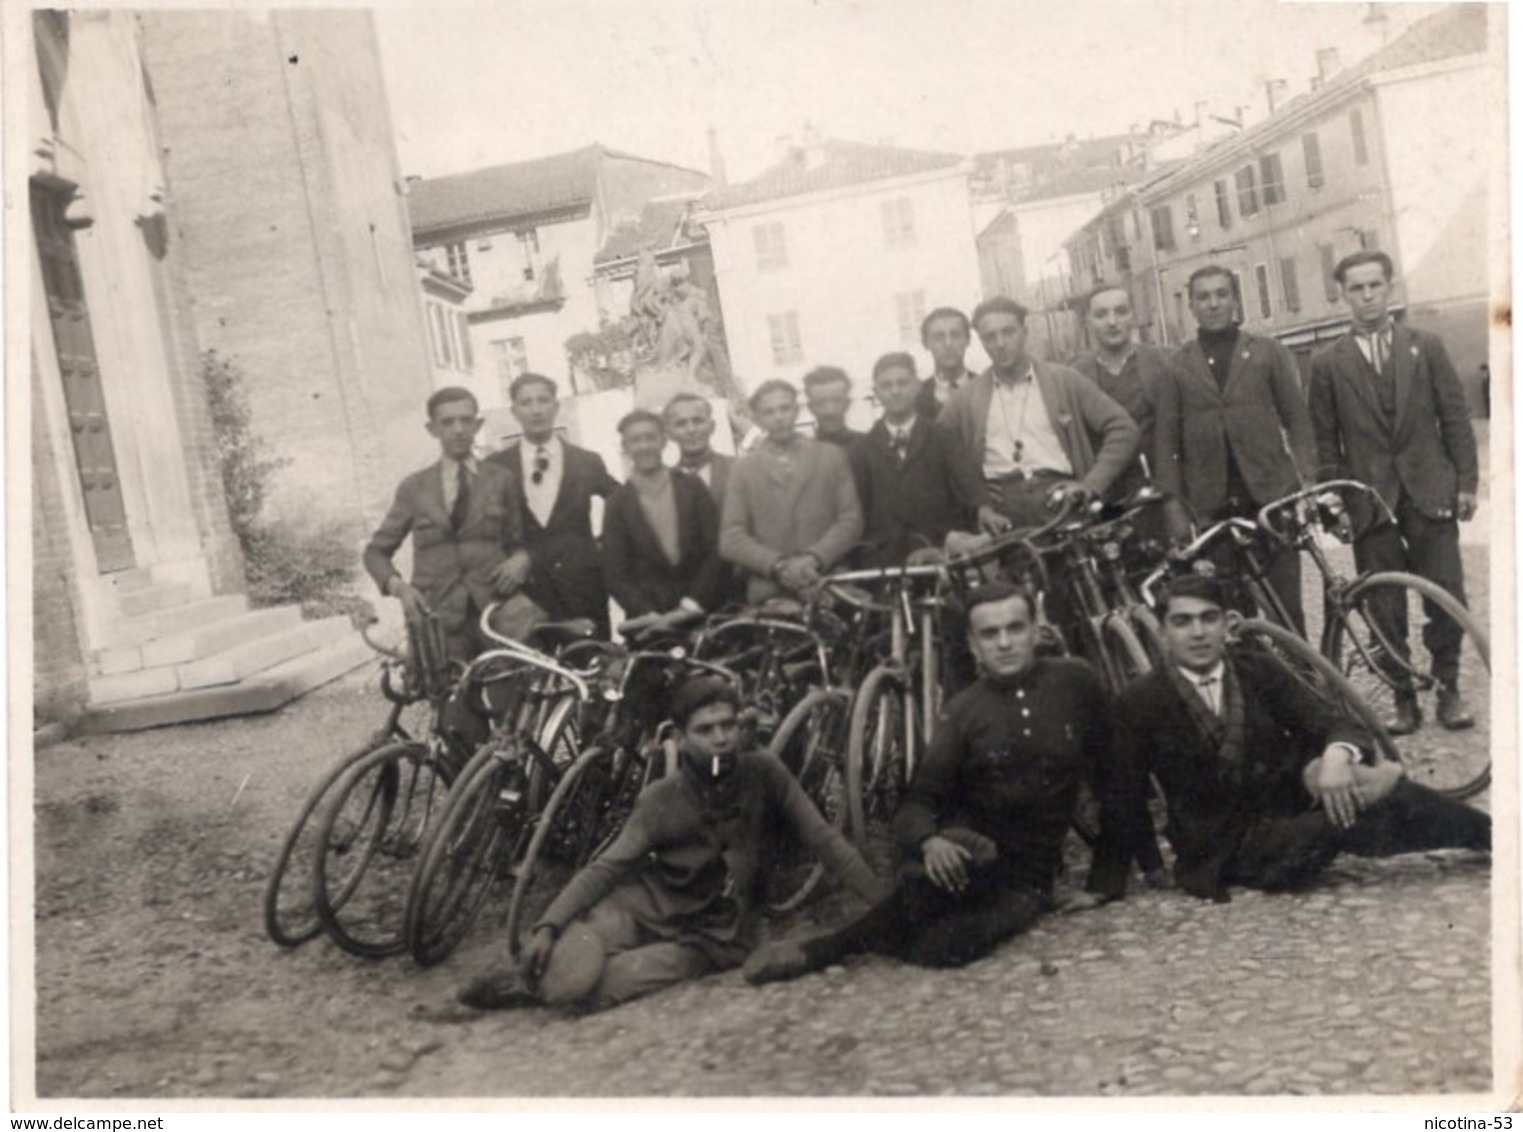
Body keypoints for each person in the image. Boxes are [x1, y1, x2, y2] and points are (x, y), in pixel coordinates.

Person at [743, 583, 1111, 983]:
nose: (1004, 643)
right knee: (930, 894)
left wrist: (1106, 882)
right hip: (966, 855)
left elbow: (1116, 779)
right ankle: (818, 951)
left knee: (942, 950)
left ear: (1035, 629)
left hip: (1028, 877)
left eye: (1015, 628)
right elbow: (920, 800)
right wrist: (930, 842)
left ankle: (854, 938)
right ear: (972, 644)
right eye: (989, 634)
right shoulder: (964, 710)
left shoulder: (1076, 681)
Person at [458, 677, 883, 1013]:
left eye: (728, 725)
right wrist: (548, 925)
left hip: (714, 936)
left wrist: (886, 906)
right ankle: (532, 974)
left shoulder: (765, 773)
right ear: (680, 738)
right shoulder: (661, 797)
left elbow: (827, 841)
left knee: (601, 986)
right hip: (648, 908)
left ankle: (531, 988)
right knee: (575, 951)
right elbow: (608, 867)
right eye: (704, 730)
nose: (720, 738)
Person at [1083, 576, 1488, 907]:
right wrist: (1106, 882)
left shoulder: (1256, 669)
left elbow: (1332, 721)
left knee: (1374, 796)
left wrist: (1334, 757)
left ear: (1227, 624)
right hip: (1224, 848)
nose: (1198, 632)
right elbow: (1124, 793)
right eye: (1183, 622)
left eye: (1209, 619)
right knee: (1349, 813)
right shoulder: (1141, 701)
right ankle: (1373, 788)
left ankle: (1495, 836)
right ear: (1164, 631)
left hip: (1289, 809)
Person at [1307, 250, 1480, 733]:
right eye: (1356, 289)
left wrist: (1465, 483)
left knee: (1446, 594)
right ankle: (1404, 696)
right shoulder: (1326, 364)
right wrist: (1336, 500)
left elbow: (1455, 418)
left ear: (1390, 288)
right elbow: (1325, 442)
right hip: (1369, 501)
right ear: (1343, 296)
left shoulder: (1425, 346)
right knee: (1383, 603)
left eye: (1374, 286)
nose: (1367, 297)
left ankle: (1448, 689)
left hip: (1429, 490)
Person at [1153, 265, 1316, 633]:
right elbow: (1165, 443)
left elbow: (1298, 420)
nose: (1213, 304)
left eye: (1221, 294)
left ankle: (1304, 684)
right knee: (1231, 613)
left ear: (1235, 299)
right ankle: (1250, 685)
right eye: (1204, 296)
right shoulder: (1175, 367)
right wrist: (1174, 506)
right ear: (1191, 306)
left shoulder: (1267, 352)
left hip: (1272, 500)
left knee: (1287, 609)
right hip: (1212, 507)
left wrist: (1306, 483)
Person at [941, 296, 1139, 531]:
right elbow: (939, 452)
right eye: (990, 337)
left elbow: (1124, 429)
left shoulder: (1064, 380)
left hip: (1061, 504)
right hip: (1002, 515)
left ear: (1025, 332)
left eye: (1008, 332)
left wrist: (1091, 485)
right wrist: (979, 503)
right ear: (981, 341)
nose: (1000, 343)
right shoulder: (965, 398)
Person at [363, 387, 532, 660]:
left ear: (478, 425)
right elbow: (375, 552)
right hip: (437, 615)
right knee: (450, 700)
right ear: (432, 429)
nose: (458, 429)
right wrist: (400, 589)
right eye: (448, 422)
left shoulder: (501, 479)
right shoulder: (414, 488)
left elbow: (520, 541)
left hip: (497, 612)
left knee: (509, 693)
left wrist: (522, 559)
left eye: (466, 420)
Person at [486, 373, 619, 638]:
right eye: (526, 403)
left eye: (543, 401)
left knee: (593, 665)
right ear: (514, 411)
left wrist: (599, 549)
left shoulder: (586, 461)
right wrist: (514, 558)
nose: (536, 410)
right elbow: (484, 528)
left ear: (556, 407)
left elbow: (624, 504)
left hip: (583, 587)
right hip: (527, 593)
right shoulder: (496, 467)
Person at [719, 379, 864, 602]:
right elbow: (731, 537)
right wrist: (778, 566)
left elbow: (851, 520)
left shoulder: (831, 456)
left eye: (785, 408)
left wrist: (814, 558)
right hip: (771, 590)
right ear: (757, 418)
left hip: (829, 582)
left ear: (796, 411)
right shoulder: (743, 469)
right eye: (769, 412)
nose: (779, 417)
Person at [852, 352, 994, 567]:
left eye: (903, 383)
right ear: (876, 393)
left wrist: (983, 507)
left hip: (944, 552)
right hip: (890, 559)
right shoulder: (862, 449)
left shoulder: (943, 436)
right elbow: (862, 512)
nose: (895, 391)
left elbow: (968, 483)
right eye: (886, 385)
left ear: (918, 386)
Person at [601, 410, 722, 637]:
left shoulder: (692, 487)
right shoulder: (617, 503)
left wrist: (692, 603)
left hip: (701, 612)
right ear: (625, 447)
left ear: (664, 440)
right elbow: (615, 572)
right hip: (649, 624)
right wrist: (648, 614)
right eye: (636, 440)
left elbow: (715, 549)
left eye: (650, 437)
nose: (644, 446)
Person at [1069, 283, 1173, 500]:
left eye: (1121, 311)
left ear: (1133, 316)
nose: (1112, 322)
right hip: (1105, 494)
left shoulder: (1164, 362)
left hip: (1161, 489)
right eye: (1101, 314)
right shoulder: (1075, 375)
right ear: (1087, 321)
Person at [662, 391, 733, 507]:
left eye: (698, 421)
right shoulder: (665, 484)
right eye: (681, 424)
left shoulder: (740, 470)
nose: (691, 430)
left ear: (712, 426)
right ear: (669, 434)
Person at [916, 306, 977, 420]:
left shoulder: (986, 388)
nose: (948, 344)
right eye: (939, 337)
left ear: (968, 340)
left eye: (955, 335)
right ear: (926, 343)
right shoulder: (915, 397)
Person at [802, 366, 867, 458]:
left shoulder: (870, 446)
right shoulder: (804, 454)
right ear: (811, 408)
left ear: (847, 403)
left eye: (837, 401)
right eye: (821, 403)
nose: (830, 411)